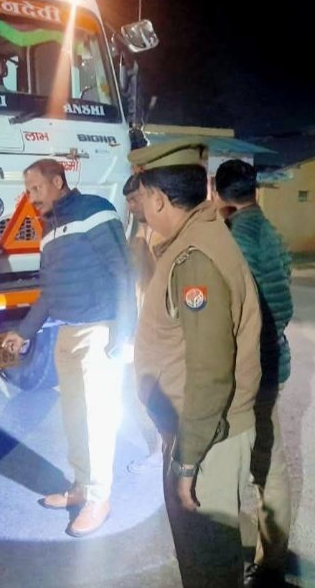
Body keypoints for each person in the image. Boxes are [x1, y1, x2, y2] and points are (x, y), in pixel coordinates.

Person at [129, 140, 262, 587]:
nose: (140, 206)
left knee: (208, 563)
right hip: (200, 429)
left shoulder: (194, 259)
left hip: (205, 436)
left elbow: (210, 372)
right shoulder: (196, 239)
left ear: (158, 199)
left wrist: (187, 462)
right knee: (208, 556)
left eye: (142, 195)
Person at [2, 158, 135, 537]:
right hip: (67, 331)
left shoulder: (95, 211)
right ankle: (82, 486)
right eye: (27, 190)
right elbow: (49, 291)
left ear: (58, 181)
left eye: (36, 188)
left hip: (99, 330)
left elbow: (123, 271)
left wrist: (125, 332)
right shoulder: (50, 229)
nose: (31, 197)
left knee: (97, 418)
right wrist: (24, 331)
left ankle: (99, 498)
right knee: (75, 417)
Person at [214, 159, 293, 587]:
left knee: (229, 464)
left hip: (247, 367)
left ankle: (232, 565)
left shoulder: (230, 239)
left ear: (218, 193)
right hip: (274, 360)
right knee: (270, 465)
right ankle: (272, 563)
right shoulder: (272, 232)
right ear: (255, 190)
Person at [121, 173, 162, 475]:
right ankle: (162, 449)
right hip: (141, 324)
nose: (132, 206)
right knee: (146, 391)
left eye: (135, 199)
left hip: (161, 328)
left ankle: (163, 452)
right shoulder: (138, 231)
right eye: (129, 201)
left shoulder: (162, 233)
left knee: (160, 392)